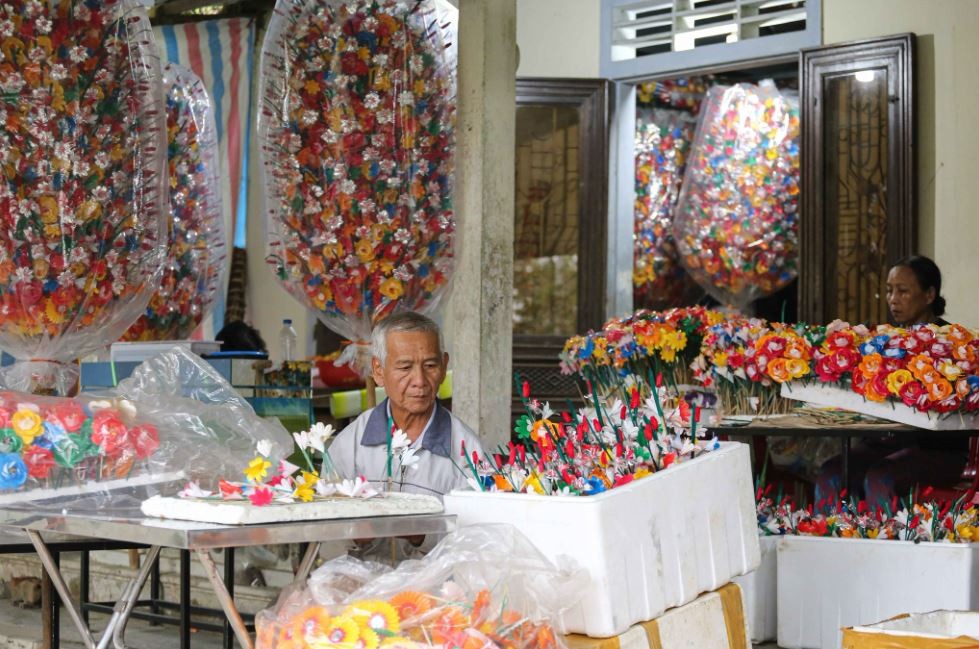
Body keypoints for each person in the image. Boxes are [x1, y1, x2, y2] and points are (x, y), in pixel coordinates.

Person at [815, 255, 964, 504]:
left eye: (903, 291)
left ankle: (879, 539)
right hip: (885, 443)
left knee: (880, 478)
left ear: (929, 295)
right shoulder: (882, 340)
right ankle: (832, 537)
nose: (893, 299)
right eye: (889, 291)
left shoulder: (951, 343)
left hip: (935, 448)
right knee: (830, 474)